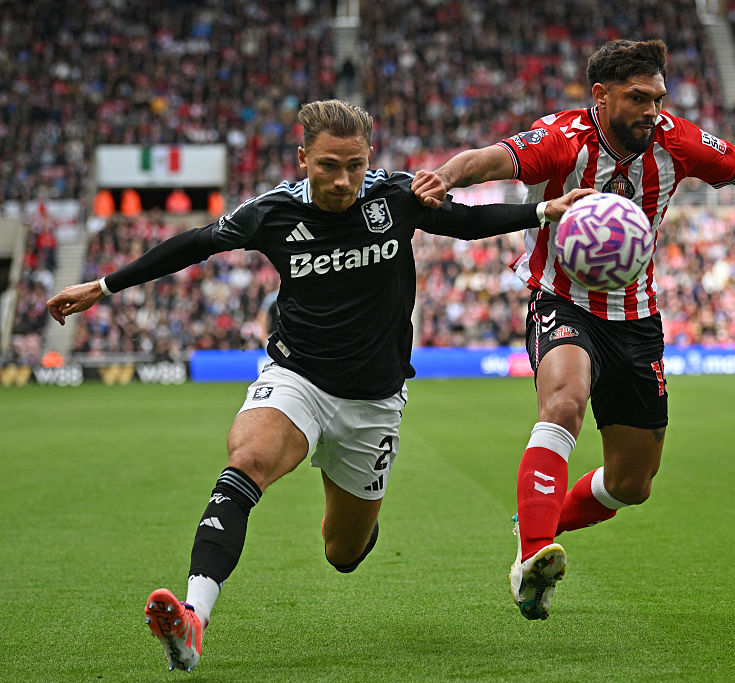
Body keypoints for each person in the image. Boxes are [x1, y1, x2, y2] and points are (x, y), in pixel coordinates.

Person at [46, 99, 593, 672]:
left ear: (369, 158)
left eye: (354, 165)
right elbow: (196, 244)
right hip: (297, 377)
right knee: (248, 459)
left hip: (374, 402)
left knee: (344, 552)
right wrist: (104, 287)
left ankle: (354, 516)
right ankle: (192, 619)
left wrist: (542, 212)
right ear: (303, 157)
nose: (342, 180)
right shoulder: (273, 212)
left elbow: (464, 221)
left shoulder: (396, 197)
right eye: (329, 165)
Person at [411, 39, 735, 621]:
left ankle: (539, 516)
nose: (652, 109)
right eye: (638, 98)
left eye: (658, 97)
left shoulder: (676, 141)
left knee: (633, 483)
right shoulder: (562, 138)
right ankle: (534, 556)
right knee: (563, 403)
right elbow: (488, 159)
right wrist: (442, 178)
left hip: (636, 319)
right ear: (601, 97)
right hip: (563, 301)